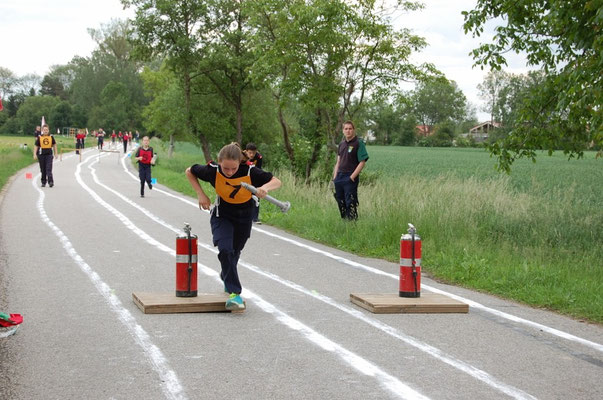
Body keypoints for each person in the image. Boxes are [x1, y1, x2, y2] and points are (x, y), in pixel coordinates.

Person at [185, 143, 281, 311]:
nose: (229, 172)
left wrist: (264, 188)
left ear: (240, 163)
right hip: (222, 215)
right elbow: (190, 171)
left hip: (244, 216)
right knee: (225, 250)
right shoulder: (213, 170)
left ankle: (226, 274)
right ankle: (234, 294)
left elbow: (276, 181)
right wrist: (201, 194)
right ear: (220, 162)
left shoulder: (250, 171)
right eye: (226, 169)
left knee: (234, 252)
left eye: (233, 169)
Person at [331, 120, 369, 220]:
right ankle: (345, 222)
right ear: (343, 131)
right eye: (346, 129)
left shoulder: (358, 143)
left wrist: (352, 177)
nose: (348, 131)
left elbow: (362, 162)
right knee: (340, 201)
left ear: (354, 130)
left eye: (350, 129)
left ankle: (352, 224)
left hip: (350, 177)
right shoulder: (341, 144)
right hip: (339, 177)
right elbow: (338, 162)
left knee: (350, 202)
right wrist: (335, 177)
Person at [244, 143, 263, 223]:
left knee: (256, 195)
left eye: (253, 153)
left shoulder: (259, 157)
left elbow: (259, 170)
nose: (252, 155)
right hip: (244, 177)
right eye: (250, 153)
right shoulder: (241, 155)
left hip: (254, 176)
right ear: (246, 151)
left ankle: (255, 217)